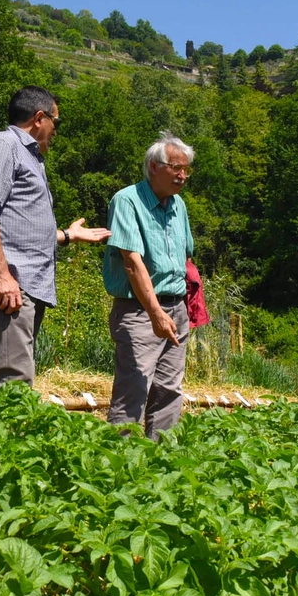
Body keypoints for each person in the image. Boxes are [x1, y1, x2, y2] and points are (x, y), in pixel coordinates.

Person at [0, 85, 110, 389]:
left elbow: (21, 229)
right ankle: (6, 437)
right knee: (14, 381)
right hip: (10, 286)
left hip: (24, 286)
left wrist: (67, 235)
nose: (56, 131)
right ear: (39, 117)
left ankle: (13, 434)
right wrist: (2, 275)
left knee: (20, 377)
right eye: (56, 123)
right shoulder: (4, 146)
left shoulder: (28, 156)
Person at [103, 135, 196, 439]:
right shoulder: (127, 200)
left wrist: (187, 304)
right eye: (176, 168)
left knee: (169, 390)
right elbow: (131, 262)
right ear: (154, 167)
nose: (183, 176)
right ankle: (120, 461)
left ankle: (161, 462)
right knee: (135, 389)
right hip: (140, 310)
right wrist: (155, 313)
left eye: (187, 169)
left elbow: (186, 258)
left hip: (176, 307)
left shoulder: (179, 205)